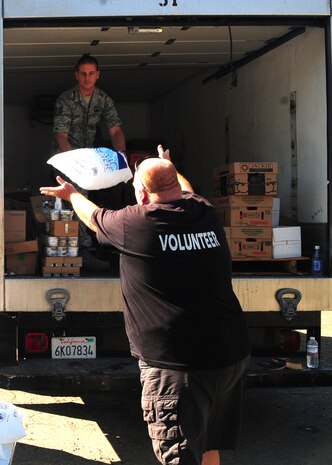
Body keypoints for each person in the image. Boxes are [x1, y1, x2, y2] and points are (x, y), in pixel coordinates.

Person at [40, 144, 251, 465]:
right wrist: (168, 165)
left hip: (178, 367)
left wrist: (70, 194)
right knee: (208, 443)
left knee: (178, 454)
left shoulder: (136, 224)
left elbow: (93, 217)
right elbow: (186, 190)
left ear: (140, 194)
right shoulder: (204, 211)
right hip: (229, 356)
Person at [52, 54, 126, 270]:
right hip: (66, 158)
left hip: (90, 158)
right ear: (77, 75)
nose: (87, 78)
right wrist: (73, 164)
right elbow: (61, 136)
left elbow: (116, 130)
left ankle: (94, 245)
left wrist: (121, 155)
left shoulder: (103, 99)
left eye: (91, 73)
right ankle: (82, 251)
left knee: (105, 192)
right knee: (76, 198)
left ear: (97, 75)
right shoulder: (66, 100)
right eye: (83, 74)